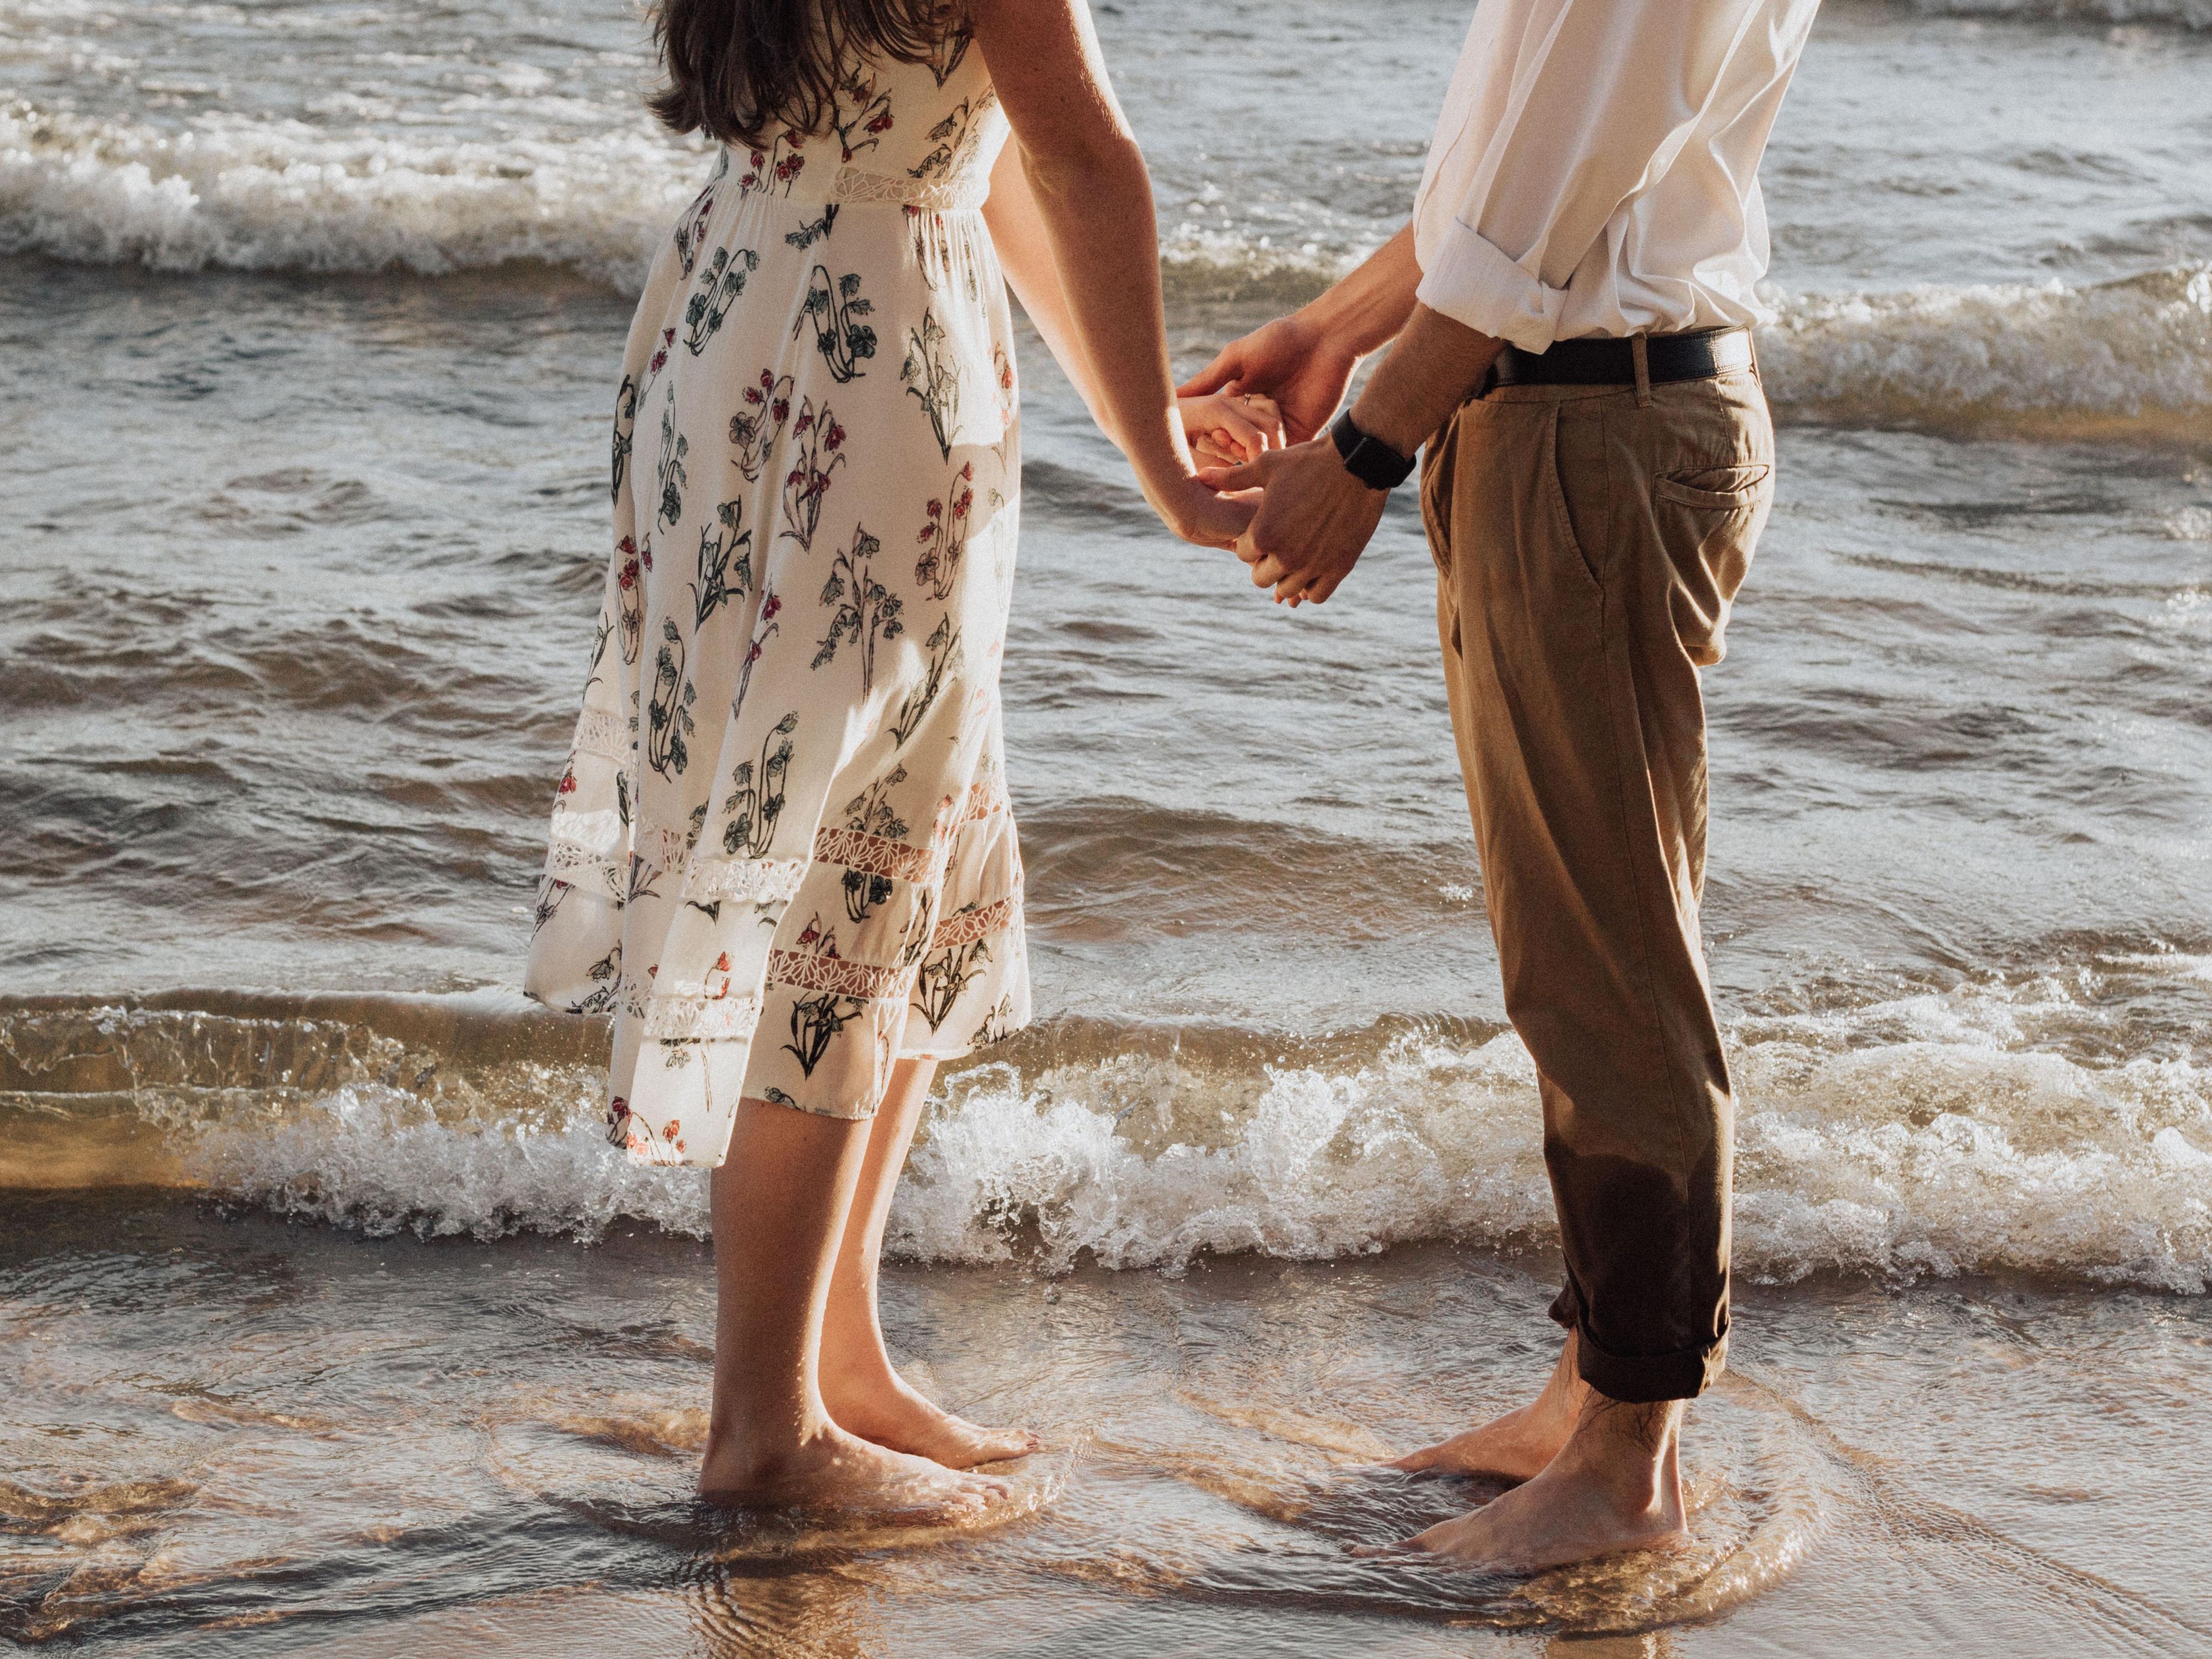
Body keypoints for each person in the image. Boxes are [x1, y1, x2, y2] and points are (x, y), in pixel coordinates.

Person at [523, 0, 1271, 1517]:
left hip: (741, 308)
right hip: (865, 367)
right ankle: (765, 1432)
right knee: (846, 861)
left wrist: (1147, 426)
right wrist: (1177, 484)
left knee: (889, 832)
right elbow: (1086, 162)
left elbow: (988, 159)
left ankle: (833, 1359)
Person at [1186, 0, 1822, 1571]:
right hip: (1568, 407)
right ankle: (1594, 1397)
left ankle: (1627, 1470)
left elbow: (1538, 209)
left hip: (1595, 424)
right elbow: (1524, 183)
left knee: (1610, 963)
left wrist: (1365, 444)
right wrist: (1339, 327)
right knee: (1570, 950)